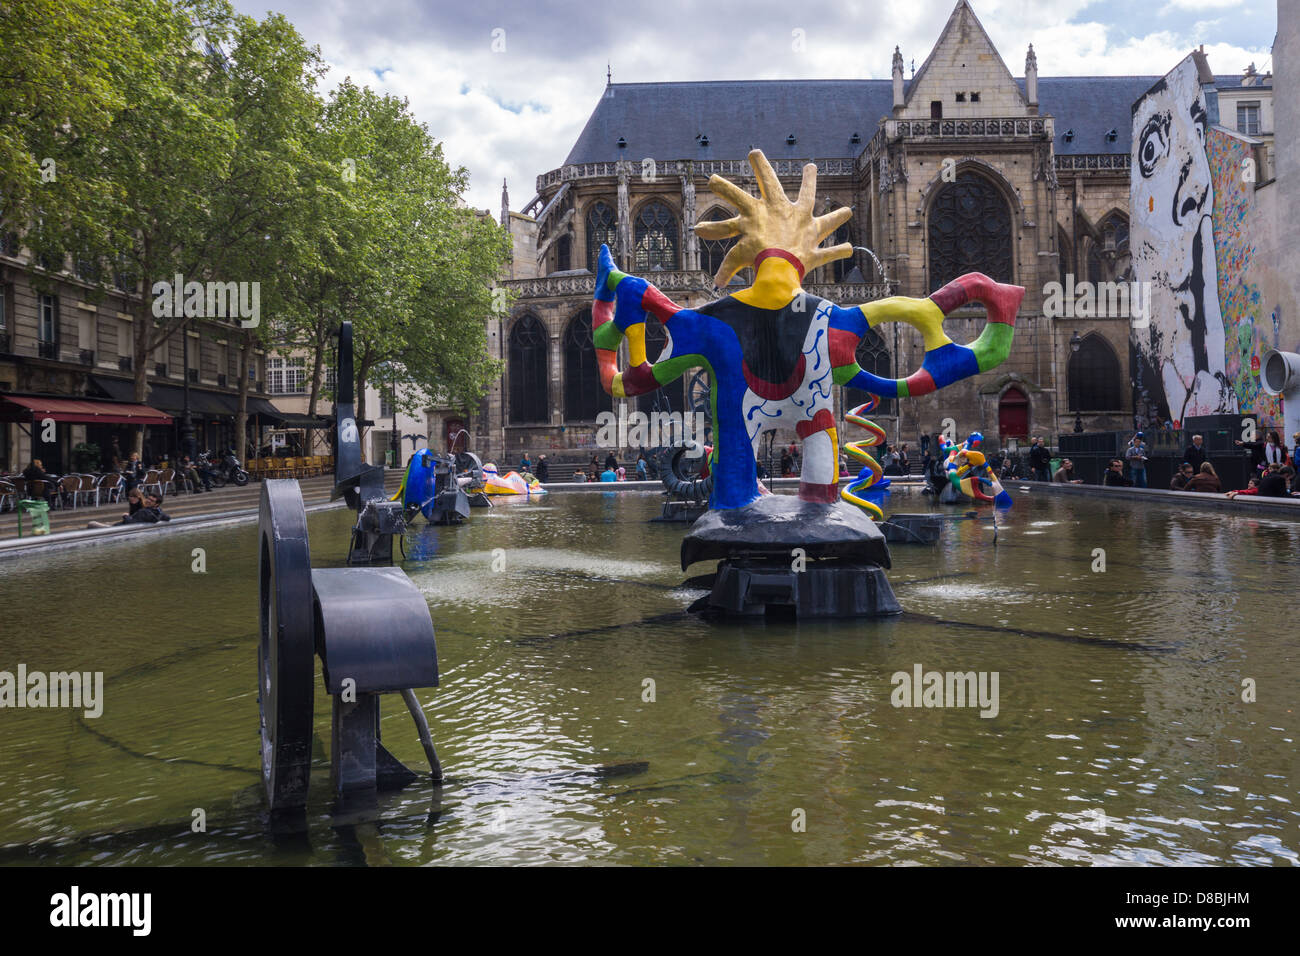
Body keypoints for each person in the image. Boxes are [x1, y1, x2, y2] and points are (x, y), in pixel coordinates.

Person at [1227, 463, 1298, 498]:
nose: (1289, 480)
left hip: (1262, 498)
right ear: (1286, 474)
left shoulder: (1269, 475)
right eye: (1289, 478)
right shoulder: (1280, 479)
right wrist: (1294, 496)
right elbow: (1283, 495)